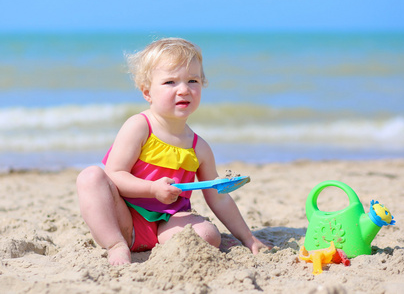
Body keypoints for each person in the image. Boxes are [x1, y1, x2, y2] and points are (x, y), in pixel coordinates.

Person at [76, 37, 269, 265]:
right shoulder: (139, 127)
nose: (184, 90)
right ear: (147, 92)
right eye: (170, 82)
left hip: (168, 222)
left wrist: (248, 238)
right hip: (124, 218)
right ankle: (116, 245)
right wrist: (151, 188)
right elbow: (115, 175)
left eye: (193, 80)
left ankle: (164, 243)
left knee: (208, 235)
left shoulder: (199, 148)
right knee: (90, 177)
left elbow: (219, 197)